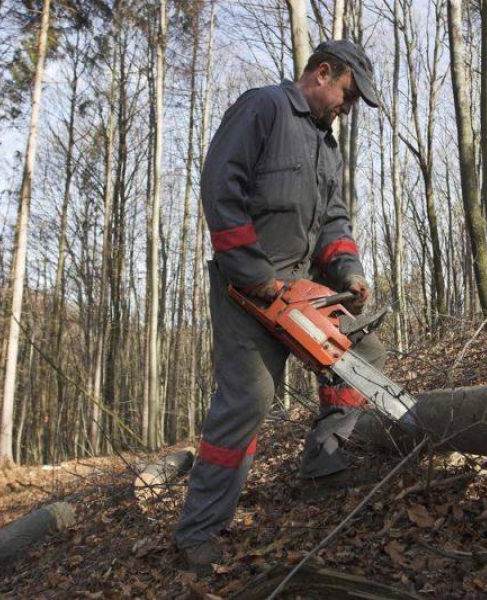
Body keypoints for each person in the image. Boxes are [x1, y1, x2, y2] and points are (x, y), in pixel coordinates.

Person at [175, 40, 384, 575]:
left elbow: (334, 220)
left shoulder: (327, 146)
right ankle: (199, 532)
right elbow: (221, 187)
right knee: (249, 399)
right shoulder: (263, 107)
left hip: (300, 282)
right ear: (321, 73)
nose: (348, 105)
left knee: (361, 350)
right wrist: (255, 276)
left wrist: (348, 271)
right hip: (245, 286)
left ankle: (324, 463)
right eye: (347, 92)